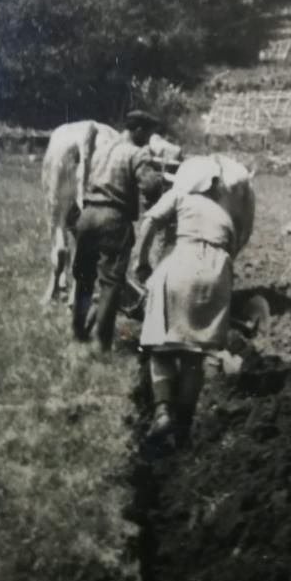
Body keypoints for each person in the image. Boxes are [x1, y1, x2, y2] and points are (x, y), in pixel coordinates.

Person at [134, 157, 236, 445]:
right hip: (218, 276)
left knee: (161, 347)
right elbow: (231, 250)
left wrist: (141, 261)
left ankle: (163, 411)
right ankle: (183, 428)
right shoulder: (223, 213)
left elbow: (150, 221)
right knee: (194, 355)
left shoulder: (180, 196)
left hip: (182, 266)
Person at [72, 110, 164, 352]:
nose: (149, 139)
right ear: (138, 131)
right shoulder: (137, 153)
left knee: (84, 278)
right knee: (111, 282)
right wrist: (159, 186)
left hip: (88, 214)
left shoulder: (102, 149)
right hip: (113, 219)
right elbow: (151, 186)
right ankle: (102, 343)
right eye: (148, 133)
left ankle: (79, 332)